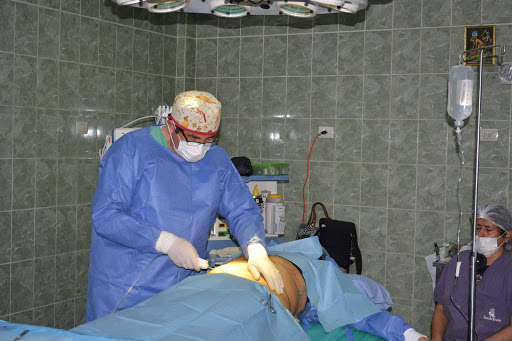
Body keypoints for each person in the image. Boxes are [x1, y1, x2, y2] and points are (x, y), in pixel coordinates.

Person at [86, 90, 284, 322]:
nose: (200, 147)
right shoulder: (131, 151)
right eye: (193, 138)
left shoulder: (216, 160)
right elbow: (107, 216)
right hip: (127, 290)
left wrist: (256, 249)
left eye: (209, 140)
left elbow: (241, 209)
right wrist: (166, 243)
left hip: (183, 290)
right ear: (172, 125)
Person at [77, 238, 429, 341]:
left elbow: (368, 313)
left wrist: (414, 336)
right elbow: (362, 311)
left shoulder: (327, 279)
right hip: (225, 289)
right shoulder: (325, 273)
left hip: (235, 294)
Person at [431, 203, 512, 341]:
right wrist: (436, 339)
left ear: (506, 236)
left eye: (488, 229)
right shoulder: (460, 261)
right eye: (478, 228)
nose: (481, 234)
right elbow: (441, 309)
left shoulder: (508, 269)